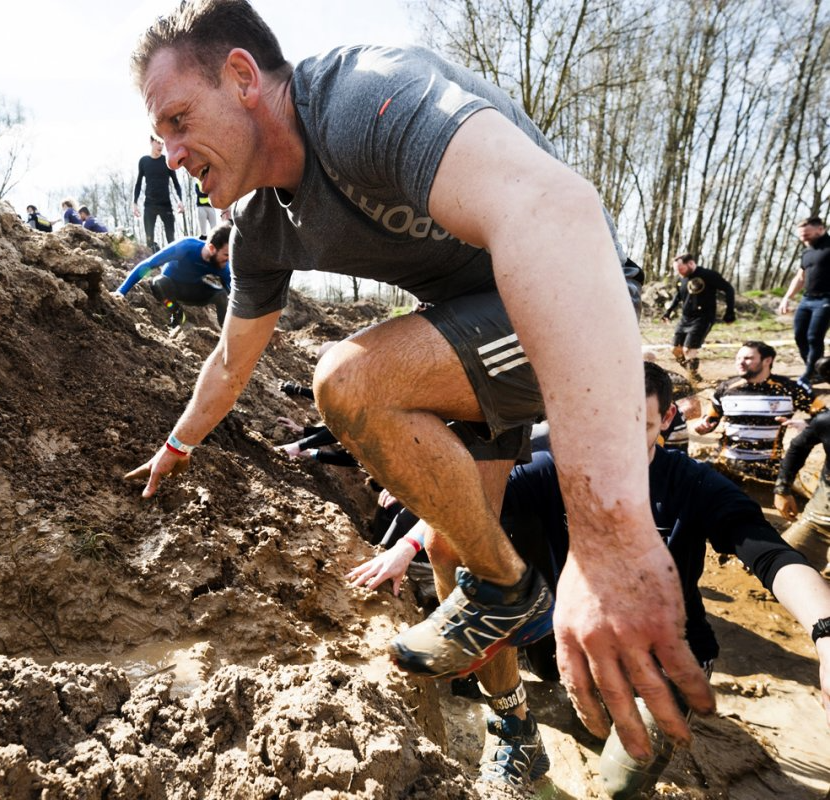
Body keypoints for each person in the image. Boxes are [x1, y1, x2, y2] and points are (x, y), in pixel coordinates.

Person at [126, 0, 714, 762]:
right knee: (451, 553)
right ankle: (516, 729)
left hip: (573, 297)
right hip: (466, 324)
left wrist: (609, 539)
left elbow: (556, 210)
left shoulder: (367, 97)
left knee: (350, 382)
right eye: (158, 135)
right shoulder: (260, 228)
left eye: (178, 119)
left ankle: (514, 587)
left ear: (241, 76)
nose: (169, 153)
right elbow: (231, 361)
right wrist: (178, 443)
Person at [350, 362, 830, 792]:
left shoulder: (694, 485)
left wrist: (825, 633)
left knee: (620, 784)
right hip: (575, 637)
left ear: (666, 421)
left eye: (635, 425)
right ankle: (518, 722)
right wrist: (408, 546)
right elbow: (473, 499)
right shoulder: (558, 470)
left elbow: (771, 556)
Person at [694, 341, 813, 481]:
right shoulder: (726, 388)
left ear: (767, 360)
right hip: (725, 463)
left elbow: (825, 417)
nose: (740, 362)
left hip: (768, 466)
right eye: (738, 358)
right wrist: (703, 427)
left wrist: (807, 424)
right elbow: (710, 420)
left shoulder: (790, 389)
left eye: (747, 358)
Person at [113, 221, 232, 329]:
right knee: (159, 282)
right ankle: (177, 314)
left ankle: (227, 334)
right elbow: (147, 265)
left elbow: (235, 294)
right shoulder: (186, 247)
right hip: (170, 288)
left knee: (221, 295)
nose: (229, 259)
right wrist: (121, 292)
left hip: (194, 290)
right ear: (211, 248)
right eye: (226, 255)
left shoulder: (223, 266)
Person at [774, 356, 830, 578]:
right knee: (780, 564)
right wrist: (782, 489)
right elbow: (797, 448)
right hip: (821, 515)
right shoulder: (825, 422)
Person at [662, 254, 736, 383]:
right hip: (685, 319)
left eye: (681, 268)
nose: (679, 272)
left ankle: (693, 380)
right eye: (676, 270)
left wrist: (729, 312)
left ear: (690, 263)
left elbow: (729, 289)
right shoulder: (681, 279)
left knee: (688, 350)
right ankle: (694, 374)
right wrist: (668, 312)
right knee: (675, 350)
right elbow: (678, 296)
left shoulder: (708, 275)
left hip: (703, 318)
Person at [778, 216, 830, 390]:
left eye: (806, 234)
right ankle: (818, 370)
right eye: (801, 235)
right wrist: (787, 297)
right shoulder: (806, 252)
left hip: (826, 299)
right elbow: (800, 277)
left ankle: (808, 374)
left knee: (814, 337)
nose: (803, 238)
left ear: (820, 229)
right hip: (807, 299)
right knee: (799, 336)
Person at [133, 135, 184, 249]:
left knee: (171, 239)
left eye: (162, 143)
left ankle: (172, 263)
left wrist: (180, 201)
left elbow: (176, 183)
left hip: (165, 205)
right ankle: (154, 263)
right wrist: (135, 203)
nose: (161, 146)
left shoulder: (167, 161)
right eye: (158, 142)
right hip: (149, 205)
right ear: (151, 142)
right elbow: (138, 183)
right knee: (149, 241)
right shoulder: (143, 161)